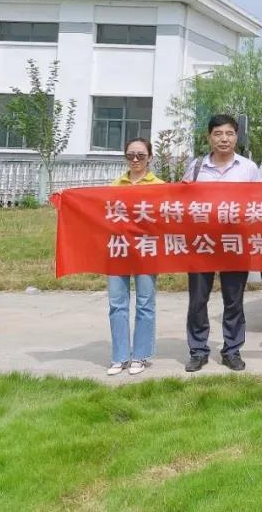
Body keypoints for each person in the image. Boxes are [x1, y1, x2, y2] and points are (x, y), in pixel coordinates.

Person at [181, 114, 260, 373]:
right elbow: (181, 203)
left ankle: (232, 350)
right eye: (218, 133)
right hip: (202, 243)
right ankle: (198, 350)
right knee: (198, 300)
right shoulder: (196, 168)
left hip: (235, 242)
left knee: (234, 300)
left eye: (229, 133)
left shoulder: (248, 168)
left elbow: (260, 204)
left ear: (236, 137)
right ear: (209, 137)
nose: (224, 139)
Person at [106, 137, 163, 376]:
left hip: (146, 250)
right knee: (117, 303)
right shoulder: (115, 185)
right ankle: (119, 357)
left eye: (141, 155)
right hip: (118, 250)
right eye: (130, 155)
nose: (136, 159)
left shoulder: (160, 186)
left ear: (150, 157)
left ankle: (140, 355)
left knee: (144, 303)